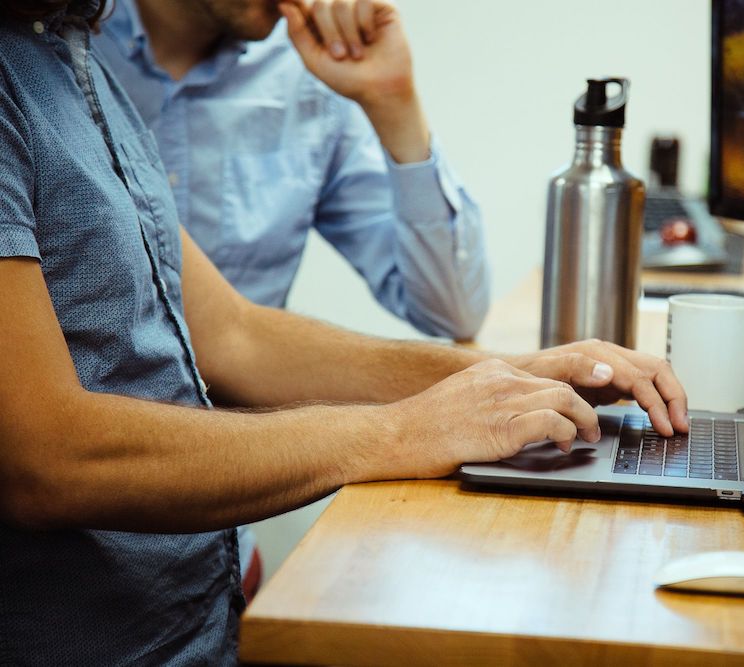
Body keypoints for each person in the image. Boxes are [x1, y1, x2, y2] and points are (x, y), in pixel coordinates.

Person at [0, 2, 688, 663]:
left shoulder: (70, 56)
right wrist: (403, 431)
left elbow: (235, 334)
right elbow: (44, 460)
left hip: (206, 612)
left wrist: (520, 373)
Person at [91, 0, 491, 583]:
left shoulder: (309, 73)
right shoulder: (57, 61)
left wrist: (394, 102)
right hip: (75, 553)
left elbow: (450, 307)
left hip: (223, 554)